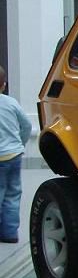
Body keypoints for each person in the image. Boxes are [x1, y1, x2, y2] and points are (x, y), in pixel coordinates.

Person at [0, 67, 32, 244]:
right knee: (13, 194)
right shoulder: (11, 103)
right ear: (3, 85)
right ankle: (10, 233)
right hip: (14, 155)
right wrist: (20, 142)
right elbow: (26, 125)